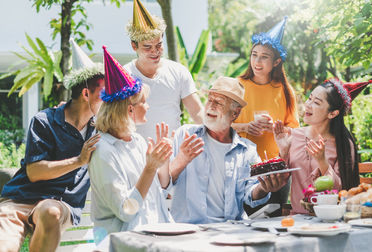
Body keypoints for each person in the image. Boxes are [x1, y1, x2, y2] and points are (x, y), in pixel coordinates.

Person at [0, 39, 104, 252]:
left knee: (50, 212)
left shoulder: (101, 129)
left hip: (57, 205)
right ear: (86, 94)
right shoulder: (44, 120)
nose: (109, 99)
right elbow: (35, 172)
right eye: (104, 93)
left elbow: (132, 102)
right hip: (19, 199)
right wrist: (79, 160)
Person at [169, 76, 289, 224]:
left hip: (230, 230)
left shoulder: (247, 150)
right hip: (190, 229)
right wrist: (181, 160)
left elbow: (251, 195)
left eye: (218, 102)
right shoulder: (186, 135)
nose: (210, 106)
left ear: (235, 113)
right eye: (209, 100)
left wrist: (264, 188)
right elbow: (164, 183)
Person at [89, 46, 173, 244]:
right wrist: (150, 168)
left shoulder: (137, 141)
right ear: (129, 110)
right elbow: (126, 211)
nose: (148, 106)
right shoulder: (103, 151)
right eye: (144, 102)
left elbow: (156, 198)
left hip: (154, 235)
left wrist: (162, 162)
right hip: (121, 241)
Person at [273, 78, 371, 214]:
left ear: (332, 113)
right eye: (310, 98)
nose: (308, 105)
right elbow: (280, 182)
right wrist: (283, 152)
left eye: (316, 102)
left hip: (332, 217)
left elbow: (341, 190)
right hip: (297, 220)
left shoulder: (343, 144)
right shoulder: (294, 136)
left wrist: (322, 161)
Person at [232, 17, 299, 215]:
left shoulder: (285, 91)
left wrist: (278, 129)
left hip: (275, 172)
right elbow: (217, 126)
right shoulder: (236, 86)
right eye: (254, 55)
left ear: (277, 61)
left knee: (273, 225)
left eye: (264, 57)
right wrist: (246, 127)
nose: (257, 62)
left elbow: (295, 132)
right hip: (242, 169)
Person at [123, 0, 204, 141]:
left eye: (159, 45)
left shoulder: (178, 71)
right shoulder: (124, 75)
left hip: (173, 153)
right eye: (147, 47)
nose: (155, 51)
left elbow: (197, 112)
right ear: (133, 46)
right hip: (136, 155)